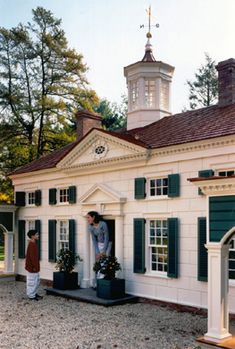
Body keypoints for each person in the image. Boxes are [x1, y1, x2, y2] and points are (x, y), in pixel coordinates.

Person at [25, 229, 43, 301]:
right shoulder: (31, 244)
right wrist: (34, 267)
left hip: (34, 267)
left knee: (36, 280)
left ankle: (34, 293)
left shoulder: (33, 244)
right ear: (32, 236)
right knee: (32, 281)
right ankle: (31, 295)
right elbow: (32, 257)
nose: (38, 236)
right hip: (32, 267)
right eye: (37, 234)